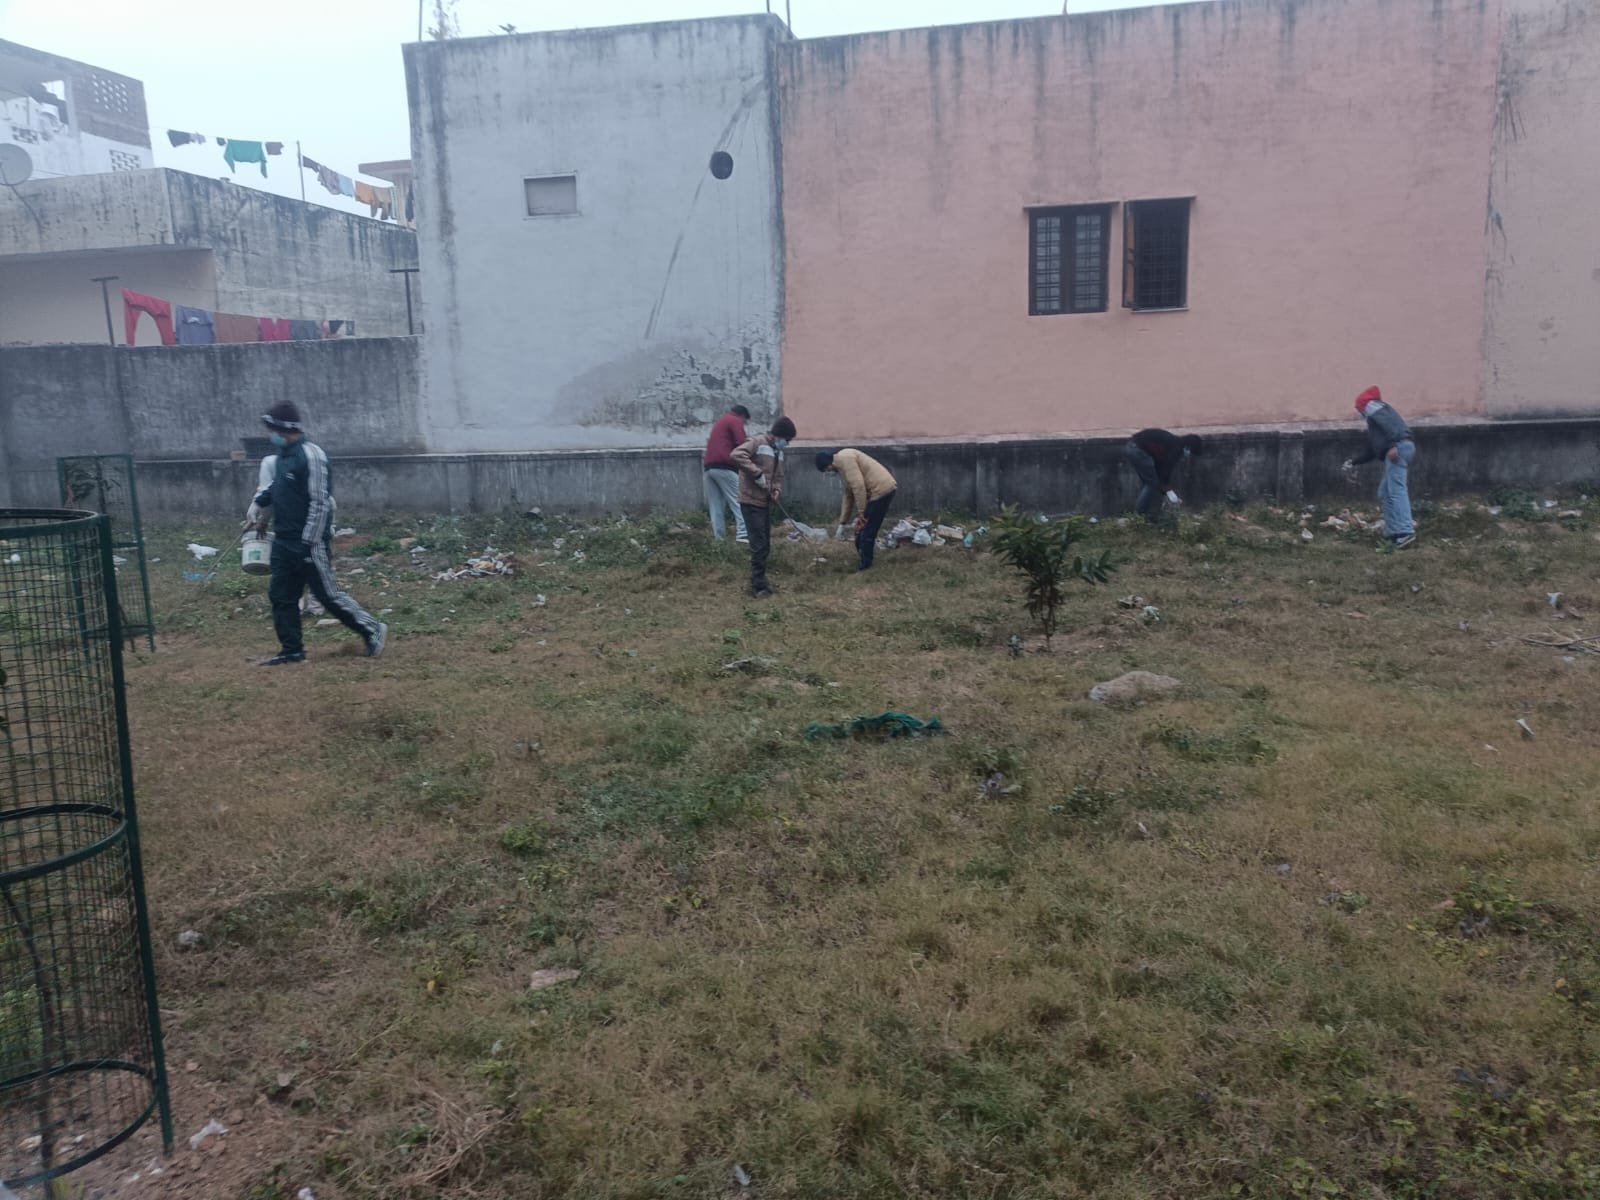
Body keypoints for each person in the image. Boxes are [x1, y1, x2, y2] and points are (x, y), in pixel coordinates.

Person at [251, 400, 387, 665]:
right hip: (283, 539)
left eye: (272, 430)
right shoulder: (283, 457)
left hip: (308, 542)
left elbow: (321, 502)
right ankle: (291, 650)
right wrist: (260, 504)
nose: (270, 435)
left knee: (328, 595)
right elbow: (278, 487)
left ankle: (372, 629)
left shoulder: (312, 456)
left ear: (284, 429)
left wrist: (308, 541)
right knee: (281, 596)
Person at [245, 455, 324, 616]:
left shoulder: (270, 464)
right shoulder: (303, 460)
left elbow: (267, 492)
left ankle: (306, 603)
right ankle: (310, 603)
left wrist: (262, 520)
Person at [729, 416, 797, 599]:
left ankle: (761, 581)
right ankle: (758, 587)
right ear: (778, 435)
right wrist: (756, 473)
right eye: (787, 439)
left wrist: (776, 490)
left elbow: (778, 476)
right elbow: (736, 455)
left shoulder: (778, 452)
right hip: (750, 500)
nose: (787, 443)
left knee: (765, 544)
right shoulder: (757, 442)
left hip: (764, 502)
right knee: (758, 544)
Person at [1343, 385, 1416, 548]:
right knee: (1384, 493)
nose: (1359, 411)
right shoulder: (1376, 423)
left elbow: (1391, 427)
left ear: (1365, 405)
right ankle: (1393, 532)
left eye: (1359, 408)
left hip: (1398, 449)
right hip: (1401, 447)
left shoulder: (1375, 409)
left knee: (1396, 491)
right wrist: (1354, 462)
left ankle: (1405, 531)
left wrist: (1393, 445)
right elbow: (1372, 450)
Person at [816, 449, 898, 572]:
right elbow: (848, 495)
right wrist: (842, 523)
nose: (829, 472)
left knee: (867, 530)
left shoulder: (845, 458)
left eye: (827, 470)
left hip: (882, 490)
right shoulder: (842, 467)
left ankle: (866, 565)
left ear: (828, 464)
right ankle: (864, 558)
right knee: (861, 531)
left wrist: (862, 512)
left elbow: (858, 486)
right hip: (879, 491)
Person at [1124, 429, 1204, 524]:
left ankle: (1144, 515)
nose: (1189, 455)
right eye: (1191, 452)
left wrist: (1164, 488)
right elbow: (1166, 469)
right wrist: (1169, 492)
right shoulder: (1176, 448)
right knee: (1151, 483)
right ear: (1188, 447)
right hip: (1137, 449)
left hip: (1132, 447)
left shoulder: (1173, 443)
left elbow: (1160, 467)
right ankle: (1139, 516)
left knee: (1149, 483)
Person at [702, 404, 751, 543]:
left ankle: (719, 539)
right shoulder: (735, 420)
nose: (744, 424)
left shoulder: (721, 421)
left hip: (709, 468)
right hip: (724, 467)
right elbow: (742, 444)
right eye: (745, 422)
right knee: (739, 500)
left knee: (715, 505)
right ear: (742, 416)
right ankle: (743, 534)